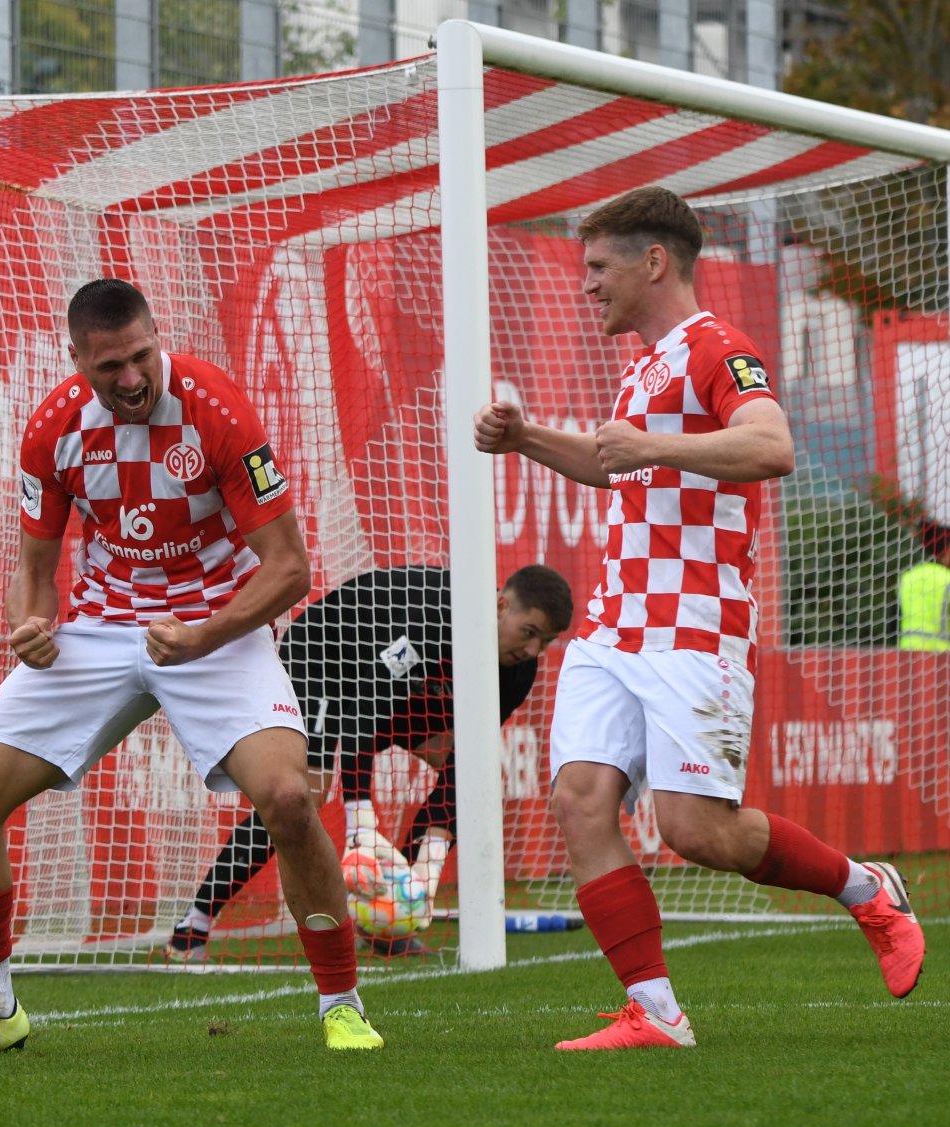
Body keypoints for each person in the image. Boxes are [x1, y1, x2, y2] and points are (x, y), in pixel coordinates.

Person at [473, 186, 926, 1051]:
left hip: (693, 624)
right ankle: (657, 1011)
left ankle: (867, 889)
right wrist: (528, 437)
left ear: (654, 262)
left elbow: (772, 445)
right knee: (579, 799)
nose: (587, 285)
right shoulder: (645, 363)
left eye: (598, 267)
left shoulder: (716, 345)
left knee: (695, 831)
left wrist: (654, 446)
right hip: (614, 623)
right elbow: (622, 470)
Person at [0, 279, 382, 1057]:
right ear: (76, 359)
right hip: (98, 628)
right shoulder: (53, 429)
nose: (131, 379)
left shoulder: (217, 409)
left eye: (140, 357)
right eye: (110, 367)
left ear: (157, 336)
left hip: (217, 624)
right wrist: (26, 625)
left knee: (289, 799)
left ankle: (343, 1004)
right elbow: (33, 571)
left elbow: (290, 568)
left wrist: (206, 633)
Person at [168, 564, 574, 958]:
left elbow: (464, 764)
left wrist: (426, 871)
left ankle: (388, 916)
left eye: (547, 641)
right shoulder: (436, 615)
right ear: (501, 605)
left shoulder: (519, 669)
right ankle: (195, 922)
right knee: (301, 796)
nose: (534, 650)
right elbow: (363, 710)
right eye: (529, 633)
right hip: (324, 664)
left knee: (466, 766)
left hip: (404, 693)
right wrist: (361, 823)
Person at [898, 521, 950, 650]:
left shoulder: (908, 577)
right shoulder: (947, 579)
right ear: (946, 550)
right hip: (941, 656)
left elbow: (893, 623)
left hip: (907, 656)